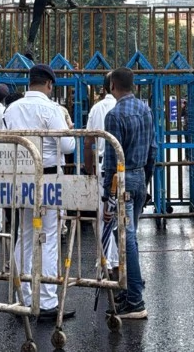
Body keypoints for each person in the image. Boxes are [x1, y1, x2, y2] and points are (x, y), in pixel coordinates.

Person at [2, 64, 76, 320]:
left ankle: (22, 297)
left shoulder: (12, 109)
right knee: (48, 237)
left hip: (20, 177)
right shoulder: (51, 109)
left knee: (24, 235)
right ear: (49, 84)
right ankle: (46, 301)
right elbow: (67, 146)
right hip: (48, 177)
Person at [101, 68, 155, 320]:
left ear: (112, 85)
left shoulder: (114, 115)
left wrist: (107, 196)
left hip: (122, 182)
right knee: (128, 238)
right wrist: (146, 180)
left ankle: (135, 301)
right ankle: (129, 289)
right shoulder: (146, 110)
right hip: (140, 176)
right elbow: (153, 149)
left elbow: (112, 160)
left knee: (127, 239)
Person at [86, 73, 118, 273]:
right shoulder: (128, 106)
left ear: (106, 87)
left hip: (102, 168)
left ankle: (107, 260)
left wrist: (87, 169)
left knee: (103, 215)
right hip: (125, 169)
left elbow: (88, 141)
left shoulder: (97, 108)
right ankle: (121, 260)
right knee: (123, 216)